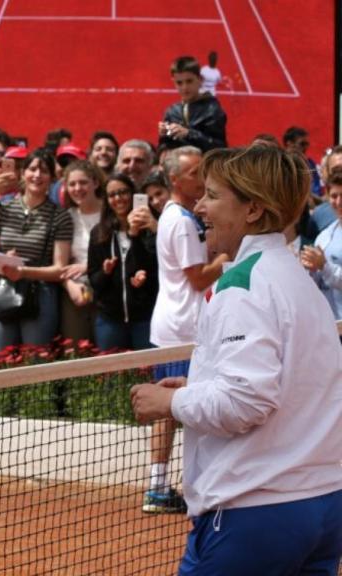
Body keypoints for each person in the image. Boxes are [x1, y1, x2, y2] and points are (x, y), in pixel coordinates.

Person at [130, 145, 342, 574]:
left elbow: (246, 401)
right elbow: (285, 385)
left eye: (212, 195)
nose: (200, 206)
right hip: (324, 504)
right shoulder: (297, 279)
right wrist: (197, 390)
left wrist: (168, 403)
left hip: (256, 511)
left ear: (252, 210)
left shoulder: (242, 284)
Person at [146, 145, 228, 513]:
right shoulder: (179, 221)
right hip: (183, 330)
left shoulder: (181, 215)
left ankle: (161, 486)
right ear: (175, 179)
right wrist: (231, 257)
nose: (202, 178)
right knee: (183, 409)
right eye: (195, 173)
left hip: (180, 325)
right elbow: (197, 279)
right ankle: (170, 488)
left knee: (173, 411)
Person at [0, 149, 73, 348]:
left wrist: (23, 272)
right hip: (3, 290)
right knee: (1, 361)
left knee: (34, 363)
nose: (37, 175)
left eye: (44, 171)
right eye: (32, 169)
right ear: (23, 173)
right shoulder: (2, 211)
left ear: (52, 177)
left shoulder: (60, 216)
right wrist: (4, 261)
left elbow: (60, 269)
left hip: (40, 295)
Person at [87, 174, 158, 350]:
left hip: (145, 317)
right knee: (112, 376)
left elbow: (155, 268)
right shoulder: (99, 233)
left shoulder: (150, 228)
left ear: (133, 193)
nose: (118, 198)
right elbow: (94, 280)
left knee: (147, 373)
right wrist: (106, 272)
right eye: (112, 195)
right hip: (110, 319)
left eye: (123, 192)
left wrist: (134, 235)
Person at [59, 160, 104, 344]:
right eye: (72, 184)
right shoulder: (66, 217)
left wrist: (88, 267)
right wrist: (70, 286)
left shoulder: (109, 213)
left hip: (106, 291)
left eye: (83, 182)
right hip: (76, 292)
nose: (78, 188)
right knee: (76, 352)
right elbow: (60, 262)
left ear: (95, 183)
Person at [158, 55, 227, 153]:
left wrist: (188, 134)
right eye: (179, 83)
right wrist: (164, 136)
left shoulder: (212, 110)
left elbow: (220, 148)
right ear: (174, 83)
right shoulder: (172, 112)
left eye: (189, 81)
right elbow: (164, 146)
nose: (185, 87)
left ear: (200, 80)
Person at [302, 171, 342, 318]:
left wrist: (324, 265)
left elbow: (325, 267)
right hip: (332, 328)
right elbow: (315, 285)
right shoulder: (324, 237)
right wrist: (310, 269)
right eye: (334, 196)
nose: (338, 202)